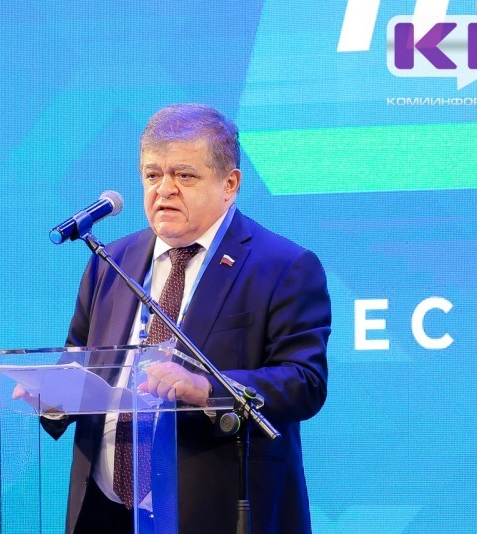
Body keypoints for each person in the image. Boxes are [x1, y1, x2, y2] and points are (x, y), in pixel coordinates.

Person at [38, 104, 331, 533]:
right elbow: (79, 356)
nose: (164, 190)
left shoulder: (283, 266)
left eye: (184, 175)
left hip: (211, 510)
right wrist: (53, 396)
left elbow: (305, 382)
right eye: (152, 175)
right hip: (104, 511)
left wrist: (209, 388)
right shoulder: (111, 260)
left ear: (230, 184)